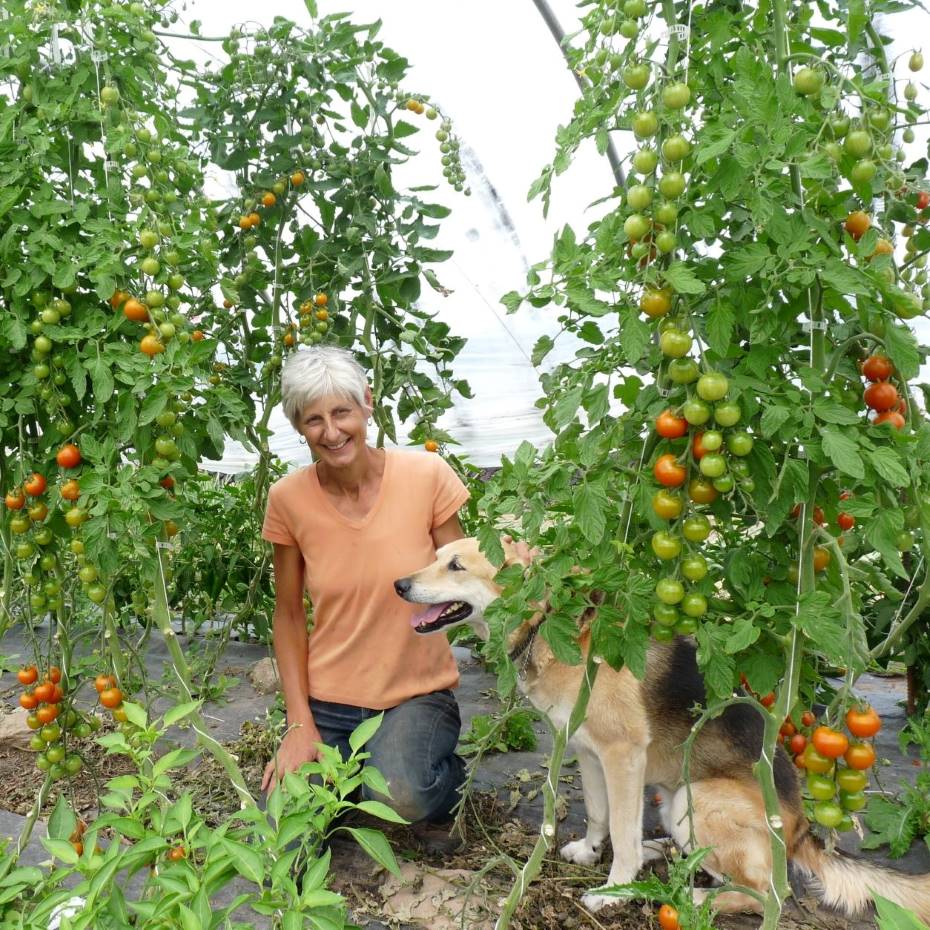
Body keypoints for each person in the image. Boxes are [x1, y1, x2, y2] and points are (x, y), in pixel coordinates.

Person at [259, 345, 469, 830]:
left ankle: (446, 778)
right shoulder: (288, 499)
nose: (331, 433)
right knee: (283, 824)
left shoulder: (426, 476)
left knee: (401, 796)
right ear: (298, 426)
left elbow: (465, 576)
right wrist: (298, 724)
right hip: (327, 704)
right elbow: (288, 613)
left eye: (341, 413)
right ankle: (349, 780)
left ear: (367, 404)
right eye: (313, 420)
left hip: (415, 696)